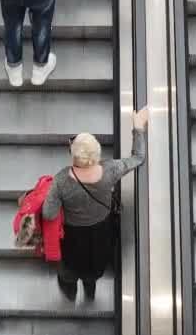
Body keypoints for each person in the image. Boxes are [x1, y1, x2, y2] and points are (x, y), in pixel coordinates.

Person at [42, 108, 149, 301]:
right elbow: (138, 158)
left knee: (69, 270)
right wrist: (138, 126)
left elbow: (48, 214)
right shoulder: (111, 170)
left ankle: (70, 294)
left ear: (73, 156)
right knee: (93, 268)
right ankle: (90, 292)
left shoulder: (61, 181)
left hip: (72, 237)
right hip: (101, 232)